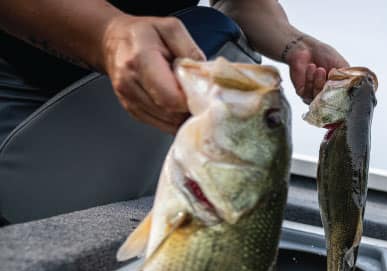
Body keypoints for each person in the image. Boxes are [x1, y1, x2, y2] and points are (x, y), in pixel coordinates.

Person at [0, 1, 348, 223]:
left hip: (143, 114)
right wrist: (109, 35)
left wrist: (295, 43)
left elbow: (239, 4)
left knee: (220, 38)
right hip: (23, 99)